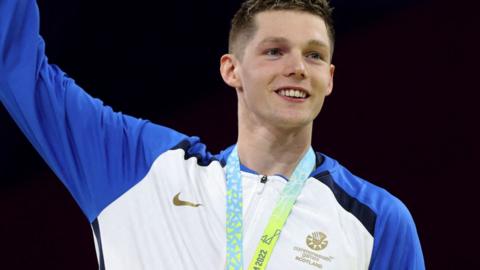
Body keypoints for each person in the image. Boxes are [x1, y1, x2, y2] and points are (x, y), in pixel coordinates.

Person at [0, 0, 425, 269]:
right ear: (231, 69)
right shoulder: (144, 173)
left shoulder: (376, 222)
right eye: (274, 50)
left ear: (329, 78)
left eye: (314, 55)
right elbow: (18, 72)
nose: (297, 66)